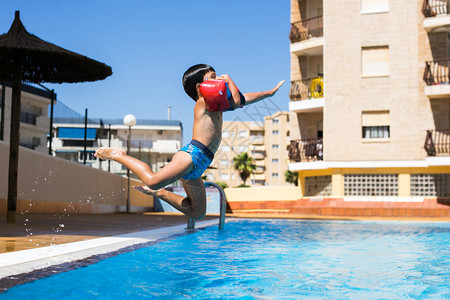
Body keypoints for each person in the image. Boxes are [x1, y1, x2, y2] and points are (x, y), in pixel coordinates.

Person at [94, 64, 284, 220]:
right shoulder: (204, 102)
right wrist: (230, 80)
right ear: (200, 88)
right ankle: (119, 155)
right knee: (152, 181)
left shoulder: (217, 106)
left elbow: (242, 98)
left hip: (201, 162)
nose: (219, 80)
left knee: (198, 212)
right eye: (213, 77)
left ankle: (162, 194)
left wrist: (268, 93)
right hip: (191, 154)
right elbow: (237, 102)